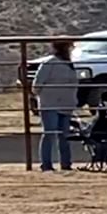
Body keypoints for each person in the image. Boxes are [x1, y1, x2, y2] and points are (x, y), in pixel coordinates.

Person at [33, 40, 80, 171]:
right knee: (50, 133)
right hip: (51, 103)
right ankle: (46, 164)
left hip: (66, 103)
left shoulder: (69, 64)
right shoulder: (49, 63)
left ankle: (66, 163)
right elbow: (37, 84)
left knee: (64, 135)